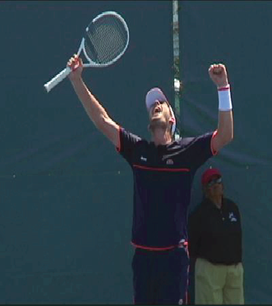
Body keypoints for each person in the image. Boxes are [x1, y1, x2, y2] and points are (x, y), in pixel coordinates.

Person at [66, 53, 235, 304]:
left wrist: (223, 88)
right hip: (143, 259)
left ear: (171, 119)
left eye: (161, 104)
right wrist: (77, 80)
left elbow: (225, 135)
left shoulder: (187, 153)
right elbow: (102, 121)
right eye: (152, 106)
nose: (155, 106)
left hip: (174, 259)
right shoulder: (138, 151)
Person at [188, 168, 244, 304]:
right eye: (210, 183)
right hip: (210, 270)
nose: (215, 185)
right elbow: (192, 246)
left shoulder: (232, 208)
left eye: (218, 180)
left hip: (233, 270)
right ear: (205, 190)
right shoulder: (199, 214)